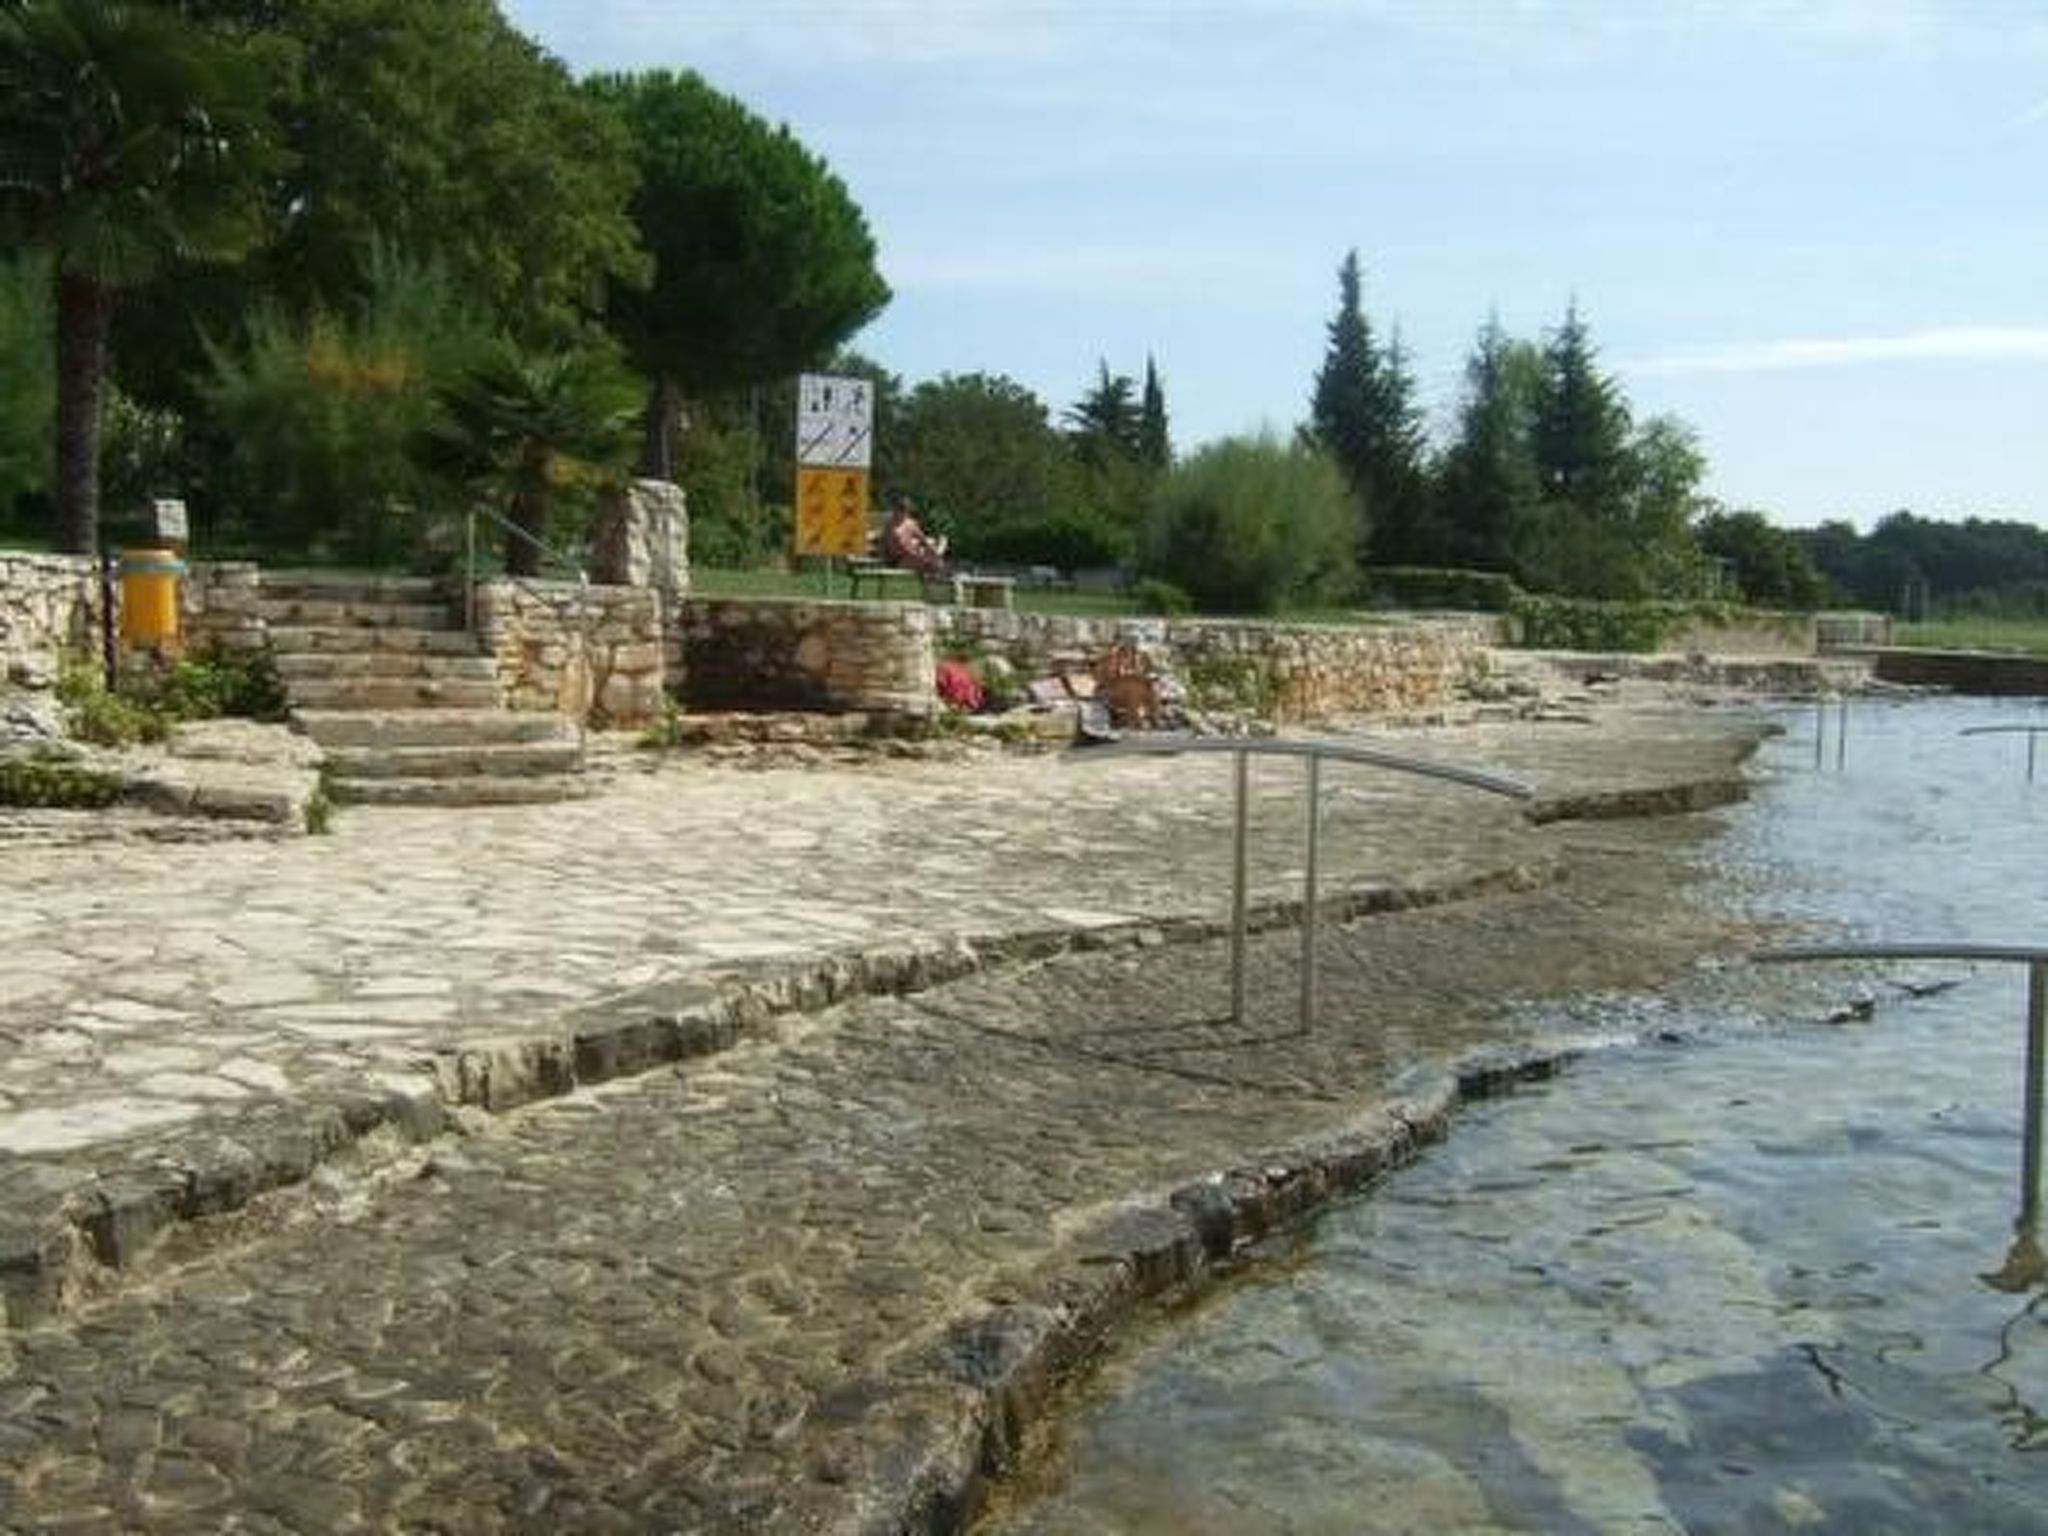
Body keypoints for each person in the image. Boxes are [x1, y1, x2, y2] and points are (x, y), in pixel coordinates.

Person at [880, 498, 948, 576]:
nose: (900, 513)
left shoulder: (910, 524)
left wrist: (930, 548)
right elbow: (891, 549)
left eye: (904, 510)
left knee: (930, 548)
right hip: (900, 560)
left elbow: (923, 539)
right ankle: (943, 568)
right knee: (931, 562)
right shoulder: (890, 527)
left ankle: (938, 559)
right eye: (899, 510)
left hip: (914, 555)